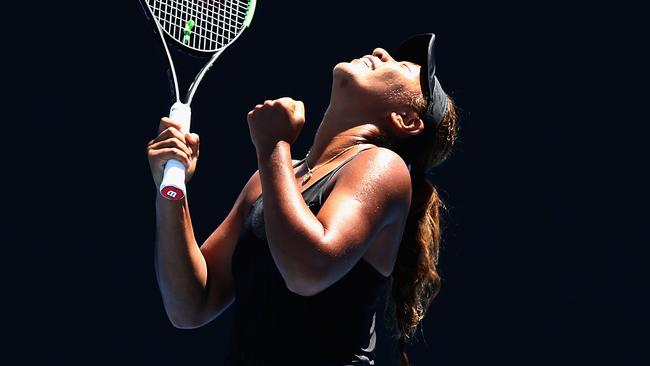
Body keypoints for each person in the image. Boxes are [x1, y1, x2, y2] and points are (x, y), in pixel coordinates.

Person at [146, 33, 459, 366]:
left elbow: (305, 271)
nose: (382, 53)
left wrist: (273, 147)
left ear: (407, 120)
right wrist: (170, 192)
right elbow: (191, 304)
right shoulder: (272, 179)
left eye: (403, 67)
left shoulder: (384, 167)